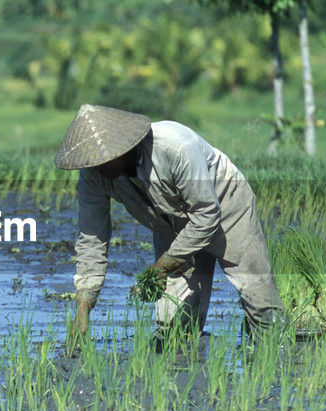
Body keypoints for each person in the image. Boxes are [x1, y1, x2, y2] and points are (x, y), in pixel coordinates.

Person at [54, 104, 282, 352]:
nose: (96, 169)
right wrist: (83, 308)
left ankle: (274, 359)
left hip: (226, 208)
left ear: (122, 149)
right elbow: (91, 240)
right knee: (172, 330)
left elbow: (206, 214)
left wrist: (162, 266)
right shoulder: (94, 175)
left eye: (102, 161)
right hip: (170, 222)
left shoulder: (175, 148)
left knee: (260, 302)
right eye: (92, 163)